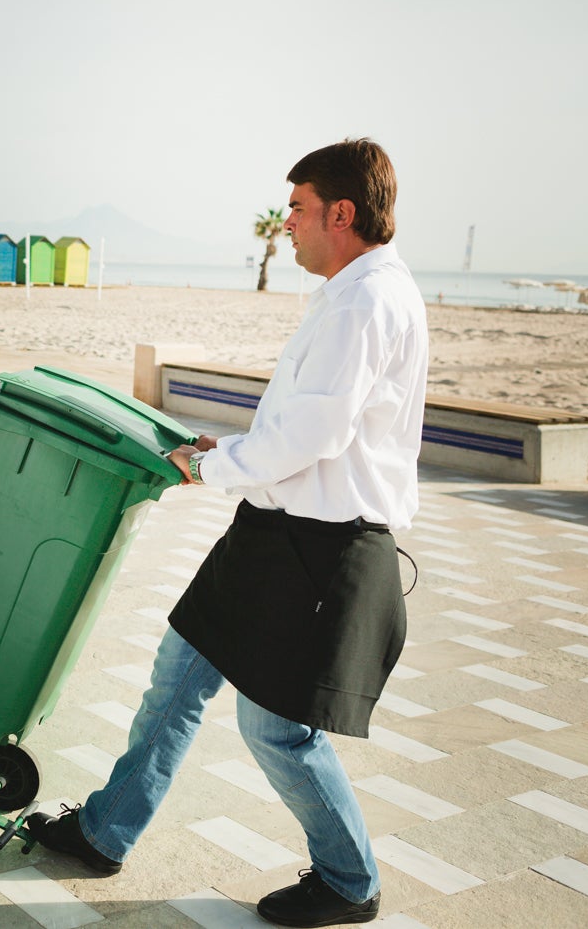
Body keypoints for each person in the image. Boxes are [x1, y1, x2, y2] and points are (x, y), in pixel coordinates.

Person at [27, 138, 428, 928]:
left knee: (276, 728)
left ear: (342, 213)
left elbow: (314, 433)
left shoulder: (366, 302)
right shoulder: (354, 293)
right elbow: (305, 427)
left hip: (320, 551)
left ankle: (350, 880)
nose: (287, 224)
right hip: (273, 533)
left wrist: (211, 467)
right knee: (178, 676)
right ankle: (106, 830)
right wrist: (234, 450)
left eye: (299, 209)